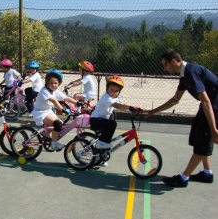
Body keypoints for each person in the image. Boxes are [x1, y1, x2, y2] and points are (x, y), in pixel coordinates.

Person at [145, 49, 218, 187]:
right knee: (198, 136)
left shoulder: (191, 72)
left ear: (173, 61)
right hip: (208, 106)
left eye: (165, 64)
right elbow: (175, 100)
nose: (164, 68)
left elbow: (206, 101)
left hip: (214, 106)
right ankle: (207, 173)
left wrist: (214, 129)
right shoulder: (184, 75)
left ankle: (183, 178)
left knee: (202, 141)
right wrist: (153, 111)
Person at [32, 69, 82, 151]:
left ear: (59, 83)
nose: (53, 85)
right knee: (57, 124)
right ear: (47, 83)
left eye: (55, 83)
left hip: (48, 111)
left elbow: (66, 98)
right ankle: (54, 144)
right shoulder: (44, 90)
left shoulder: (55, 91)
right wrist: (62, 109)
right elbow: (54, 100)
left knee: (61, 124)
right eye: (51, 83)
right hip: (40, 112)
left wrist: (77, 103)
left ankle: (46, 134)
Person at [90, 75, 140, 149]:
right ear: (107, 88)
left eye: (116, 91)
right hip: (95, 120)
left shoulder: (114, 98)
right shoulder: (106, 97)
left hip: (101, 120)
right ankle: (101, 143)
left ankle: (101, 152)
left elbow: (122, 104)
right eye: (112, 89)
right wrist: (129, 108)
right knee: (112, 124)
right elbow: (117, 106)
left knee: (109, 128)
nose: (113, 92)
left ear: (119, 92)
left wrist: (135, 107)